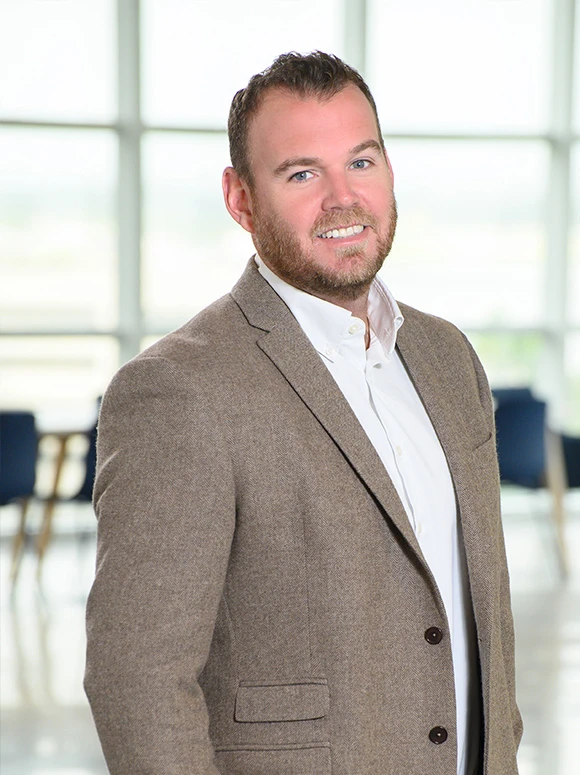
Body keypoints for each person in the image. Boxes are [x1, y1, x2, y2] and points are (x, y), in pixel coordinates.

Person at [84, 51, 522, 775]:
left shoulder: (448, 359)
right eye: (301, 173)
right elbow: (137, 678)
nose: (343, 198)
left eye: (361, 161)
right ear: (241, 198)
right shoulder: (178, 389)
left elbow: (484, 625)